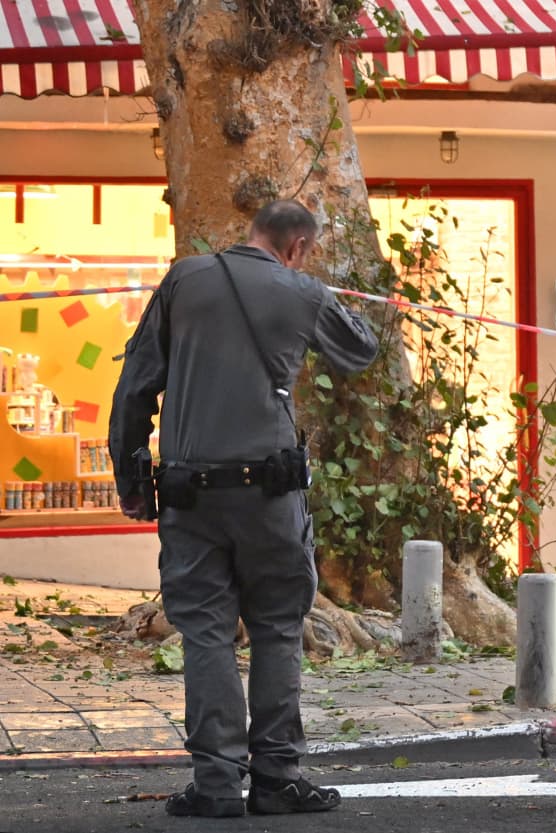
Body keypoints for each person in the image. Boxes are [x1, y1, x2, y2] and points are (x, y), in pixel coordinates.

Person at [109, 200, 379, 818]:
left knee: (204, 634)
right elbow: (360, 352)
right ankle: (278, 778)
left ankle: (216, 785)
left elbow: (136, 384)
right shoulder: (303, 291)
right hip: (271, 497)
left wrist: (132, 480)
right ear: (298, 246)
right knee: (278, 629)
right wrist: (319, 295)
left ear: (252, 233)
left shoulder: (184, 279)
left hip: (188, 494)